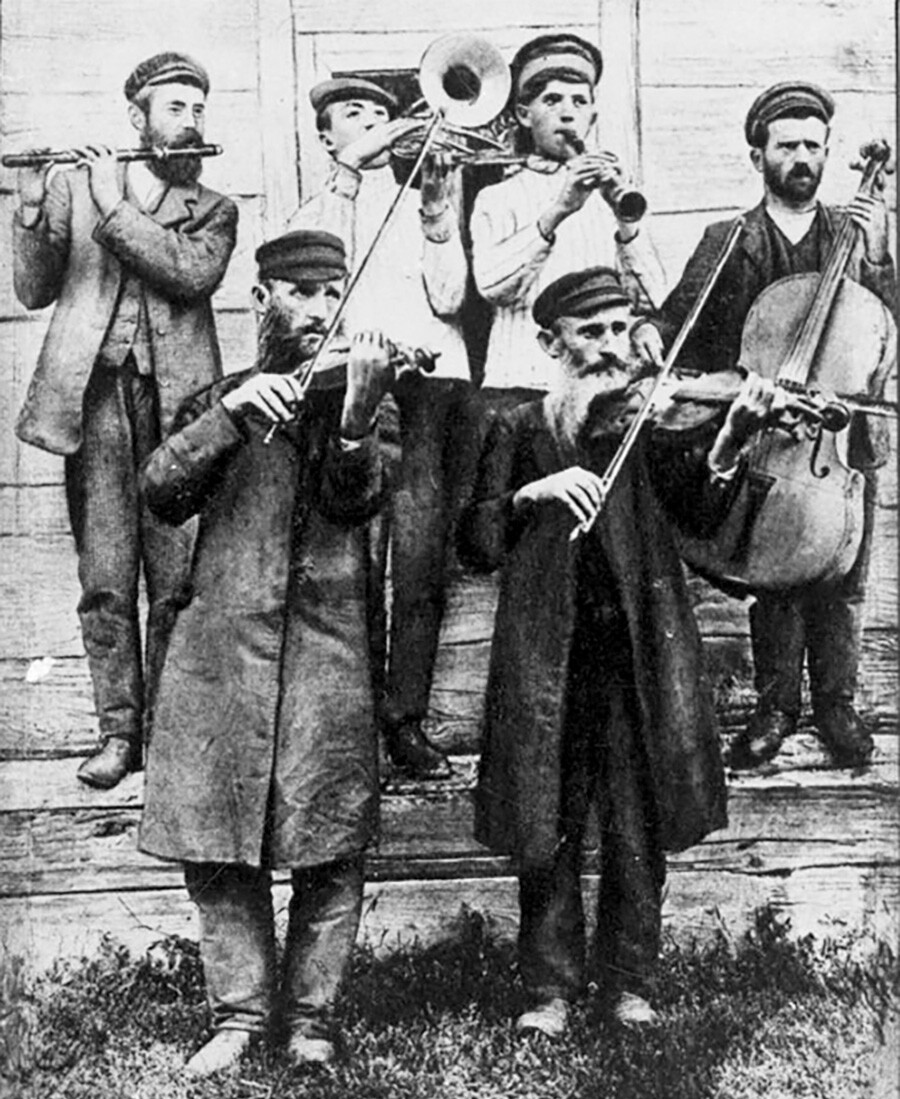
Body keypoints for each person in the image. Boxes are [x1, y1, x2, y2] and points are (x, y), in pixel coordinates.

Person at [457, 267, 785, 1036]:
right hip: (549, 654)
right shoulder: (520, 427)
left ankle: (628, 982)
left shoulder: (655, 422)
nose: (611, 348)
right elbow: (474, 540)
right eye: (591, 332)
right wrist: (527, 497)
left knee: (637, 824)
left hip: (638, 649)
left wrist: (732, 436)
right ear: (549, 343)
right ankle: (548, 989)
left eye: (619, 328)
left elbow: (703, 512)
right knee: (549, 823)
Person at [139, 229, 390, 1077]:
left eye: (332, 296)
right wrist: (229, 421)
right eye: (302, 294)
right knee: (216, 839)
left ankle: (312, 1021)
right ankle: (241, 1018)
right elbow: (161, 493)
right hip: (221, 646)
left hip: (327, 646)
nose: (320, 312)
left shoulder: (365, 395)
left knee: (330, 841)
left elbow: (357, 503)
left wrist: (353, 427)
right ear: (263, 301)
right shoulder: (219, 397)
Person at [640, 81, 896, 768]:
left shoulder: (853, 232)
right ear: (759, 156)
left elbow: (886, 329)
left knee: (844, 577)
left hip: (839, 439)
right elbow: (678, 325)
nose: (803, 158)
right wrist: (647, 334)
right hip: (765, 436)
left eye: (814, 145)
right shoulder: (729, 240)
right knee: (772, 574)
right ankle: (776, 706)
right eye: (788, 146)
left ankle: (838, 706)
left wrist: (876, 257)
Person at [12, 52, 238, 788]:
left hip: (181, 412)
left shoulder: (213, 208)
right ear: (136, 118)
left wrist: (111, 204)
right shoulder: (78, 185)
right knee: (106, 578)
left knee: (175, 581)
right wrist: (29, 207)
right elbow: (35, 288)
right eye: (175, 108)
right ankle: (119, 734)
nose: (190, 122)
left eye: (196, 109)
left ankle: (169, 733)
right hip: (95, 402)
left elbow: (188, 273)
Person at [289, 76, 473, 779]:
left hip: (427, 392)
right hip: (350, 392)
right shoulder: (314, 209)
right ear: (328, 137)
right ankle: (350, 719)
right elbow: (322, 272)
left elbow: (451, 295)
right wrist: (352, 174)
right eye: (354, 116)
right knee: (352, 562)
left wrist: (436, 208)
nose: (376, 125)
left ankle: (405, 721)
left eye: (384, 116)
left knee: (420, 561)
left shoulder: (420, 206)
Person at [470, 33, 666, 394]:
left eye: (579, 101)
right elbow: (492, 287)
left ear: (592, 115)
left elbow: (652, 299)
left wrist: (626, 222)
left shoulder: (614, 194)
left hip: (602, 389)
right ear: (523, 115)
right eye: (552, 100)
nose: (567, 111)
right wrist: (560, 210)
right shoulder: (496, 197)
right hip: (520, 384)